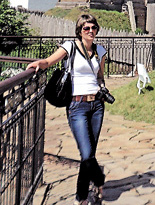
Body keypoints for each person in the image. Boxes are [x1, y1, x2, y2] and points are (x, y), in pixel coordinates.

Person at [28, 13, 107, 205]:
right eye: (86, 28)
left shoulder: (100, 50)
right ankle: (99, 180)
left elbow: (100, 76)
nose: (90, 31)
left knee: (89, 154)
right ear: (79, 31)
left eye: (93, 28)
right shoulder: (70, 46)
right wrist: (40, 64)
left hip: (96, 105)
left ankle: (81, 197)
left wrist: (102, 89)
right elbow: (49, 61)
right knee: (87, 152)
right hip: (77, 106)